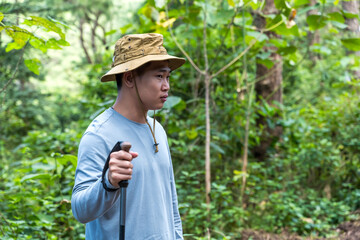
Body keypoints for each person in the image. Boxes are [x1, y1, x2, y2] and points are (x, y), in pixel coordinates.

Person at [71, 33, 186, 240]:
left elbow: (170, 204)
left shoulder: (157, 129)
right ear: (130, 78)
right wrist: (108, 182)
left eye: (168, 77)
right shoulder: (99, 135)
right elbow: (80, 210)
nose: (166, 86)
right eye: (159, 76)